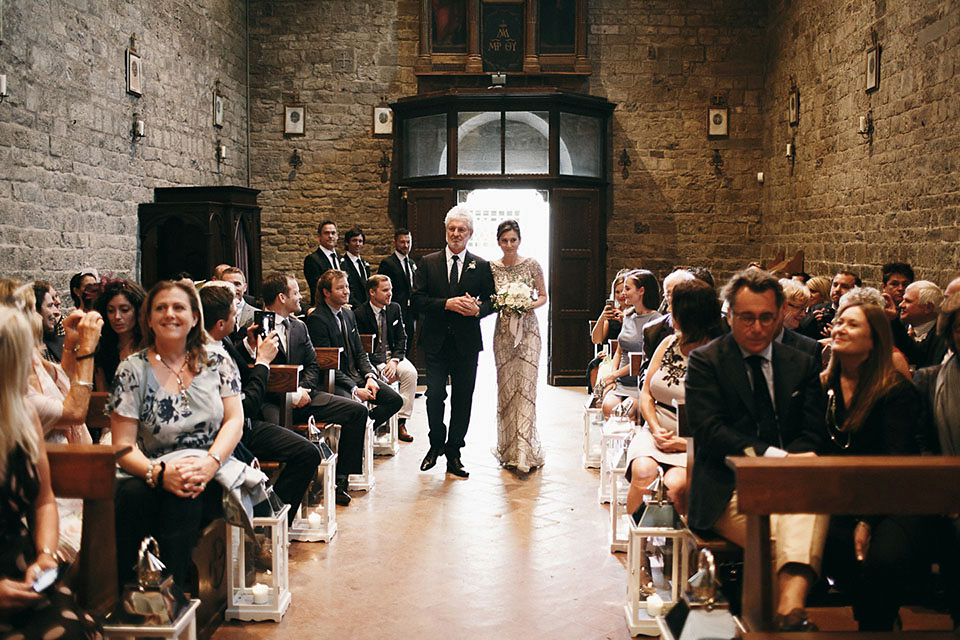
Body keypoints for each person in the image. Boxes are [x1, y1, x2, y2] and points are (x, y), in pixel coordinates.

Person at [685, 268, 827, 632]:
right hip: (727, 487)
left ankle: (783, 613)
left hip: (792, 485)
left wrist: (790, 466)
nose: (758, 328)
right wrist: (776, 460)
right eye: (747, 318)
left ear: (780, 314)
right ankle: (790, 611)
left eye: (766, 317)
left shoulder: (801, 361)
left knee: (805, 506)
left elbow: (812, 433)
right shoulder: (707, 362)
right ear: (729, 315)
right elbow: (712, 432)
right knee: (791, 525)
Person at [109, 281, 244, 588]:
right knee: (132, 496)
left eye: (179, 307)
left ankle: (173, 596)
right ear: (148, 319)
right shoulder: (131, 370)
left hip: (212, 467)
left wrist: (210, 464)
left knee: (186, 492)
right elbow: (123, 445)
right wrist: (158, 474)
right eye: (161, 308)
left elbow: (234, 420)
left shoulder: (217, 361)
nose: (170, 314)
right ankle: (134, 595)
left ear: (195, 317)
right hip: (154, 467)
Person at [819, 297, 928, 631]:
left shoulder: (894, 391)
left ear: (874, 340)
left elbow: (894, 463)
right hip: (839, 499)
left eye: (852, 325)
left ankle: (877, 623)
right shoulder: (824, 386)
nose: (839, 329)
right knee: (816, 545)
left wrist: (866, 520)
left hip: (891, 500)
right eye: (839, 322)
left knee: (882, 559)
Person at [0, 307, 100, 639]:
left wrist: (44, 555)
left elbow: (43, 501)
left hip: (20, 562)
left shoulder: (21, 413)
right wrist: (84, 347)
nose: (32, 364)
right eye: (22, 354)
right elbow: (74, 410)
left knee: (76, 630)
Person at [238, 273, 367, 506]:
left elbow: (312, 364)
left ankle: (340, 481)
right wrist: (288, 393)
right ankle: (275, 500)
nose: (301, 297)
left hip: (305, 396)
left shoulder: (299, 326)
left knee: (357, 411)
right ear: (281, 297)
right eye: (296, 292)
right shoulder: (252, 330)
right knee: (284, 438)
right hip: (271, 402)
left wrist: (302, 389)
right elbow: (251, 375)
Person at [199, 282, 320, 525]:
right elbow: (249, 404)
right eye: (235, 313)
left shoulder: (224, 342)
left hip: (246, 421)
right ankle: (268, 522)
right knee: (305, 453)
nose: (239, 318)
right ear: (220, 323)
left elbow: (243, 374)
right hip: (235, 430)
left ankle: (274, 519)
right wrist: (263, 361)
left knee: (308, 451)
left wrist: (250, 348)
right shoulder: (208, 353)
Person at [625, 279, 722, 515]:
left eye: (673, 307)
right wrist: (656, 428)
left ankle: (672, 547)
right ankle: (637, 544)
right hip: (655, 432)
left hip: (693, 444)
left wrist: (683, 443)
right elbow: (647, 392)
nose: (668, 311)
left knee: (675, 485)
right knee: (644, 473)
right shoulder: (668, 343)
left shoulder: (720, 354)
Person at [412, 205, 496, 479]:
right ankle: (436, 443)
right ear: (445, 231)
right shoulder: (428, 262)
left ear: (470, 233)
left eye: (461, 230)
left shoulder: (481, 265)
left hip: (466, 343)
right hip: (435, 341)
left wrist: (478, 310)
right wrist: (446, 303)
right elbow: (417, 301)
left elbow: (492, 300)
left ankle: (454, 453)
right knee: (435, 395)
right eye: (452, 229)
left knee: (463, 399)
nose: (456, 234)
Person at [306, 270, 403, 434]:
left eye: (347, 286)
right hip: (334, 381)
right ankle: (358, 430)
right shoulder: (318, 319)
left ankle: (365, 427)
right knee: (356, 408)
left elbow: (359, 352)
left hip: (357, 375)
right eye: (340, 288)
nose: (346, 291)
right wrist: (354, 389)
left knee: (394, 400)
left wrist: (370, 376)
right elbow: (327, 364)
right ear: (326, 292)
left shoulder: (348, 314)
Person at [489, 220, 547, 475]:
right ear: (499, 242)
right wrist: (504, 303)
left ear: (519, 240)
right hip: (503, 335)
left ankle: (524, 452)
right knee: (507, 389)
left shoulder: (532, 264)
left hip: (529, 333)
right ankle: (508, 450)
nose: (509, 245)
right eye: (505, 240)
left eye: (513, 240)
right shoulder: (491, 268)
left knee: (526, 389)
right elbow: (488, 299)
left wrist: (525, 304)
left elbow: (544, 296)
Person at [354, 274, 417, 442]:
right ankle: (375, 422)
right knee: (382, 376)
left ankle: (401, 421)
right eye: (385, 290)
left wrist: (395, 360)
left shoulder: (394, 308)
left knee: (410, 373)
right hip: (373, 360)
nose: (390, 293)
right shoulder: (359, 314)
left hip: (394, 357)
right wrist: (380, 365)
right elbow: (361, 349)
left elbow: (402, 338)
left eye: (391, 289)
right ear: (372, 292)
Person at [599, 269, 662, 419]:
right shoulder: (628, 316)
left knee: (626, 411)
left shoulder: (655, 320)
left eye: (627, 289)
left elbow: (645, 357)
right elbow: (620, 351)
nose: (623, 293)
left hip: (639, 384)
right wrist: (612, 377)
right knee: (608, 408)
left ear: (641, 291)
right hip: (621, 382)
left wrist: (614, 374)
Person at [94, 278, 146, 391]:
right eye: (111, 311)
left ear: (138, 311)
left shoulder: (149, 345)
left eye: (125, 310)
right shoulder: (103, 348)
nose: (117, 317)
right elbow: (101, 394)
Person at [377, 228, 417, 335]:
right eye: (402, 242)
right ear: (395, 243)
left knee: (408, 343)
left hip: (410, 313)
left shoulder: (411, 263)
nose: (406, 245)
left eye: (408, 242)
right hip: (394, 311)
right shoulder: (388, 263)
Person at [304, 220, 341, 307]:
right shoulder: (312, 259)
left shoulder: (341, 258)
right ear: (319, 236)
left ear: (337, 236)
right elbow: (317, 288)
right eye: (326, 233)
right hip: (323, 307)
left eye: (333, 233)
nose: (330, 236)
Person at [33, 281, 64, 363]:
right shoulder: (21, 354)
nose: (56, 312)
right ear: (35, 311)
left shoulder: (60, 344)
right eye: (50, 306)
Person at [220, 266, 258, 334]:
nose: (233, 289)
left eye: (237, 284)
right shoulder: (215, 315)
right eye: (228, 285)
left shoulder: (256, 314)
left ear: (245, 287)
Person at [341, 227, 370, 308]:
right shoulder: (343, 263)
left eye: (360, 241)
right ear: (347, 243)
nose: (358, 244)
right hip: (352, 307)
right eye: (354, 241)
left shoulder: (364, 264)